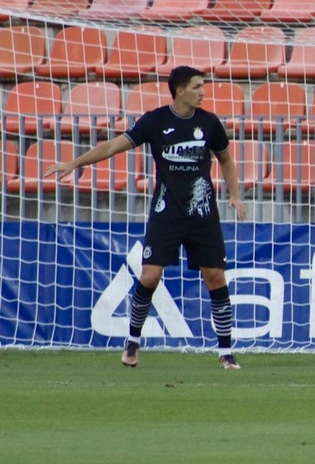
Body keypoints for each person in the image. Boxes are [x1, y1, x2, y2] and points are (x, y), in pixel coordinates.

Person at [46, 66, 248, 369]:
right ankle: (133, 341)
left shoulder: (209, 123)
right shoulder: (156, 121)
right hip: (166, 213)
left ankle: (226, 351)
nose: (203, 92)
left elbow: (226, 158)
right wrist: (75, 163)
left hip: (202, 213)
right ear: (180, 90)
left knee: (215, 277)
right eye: (197, 87)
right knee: (150, 275)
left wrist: (234, 194)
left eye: (203, 86)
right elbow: (114, 145)